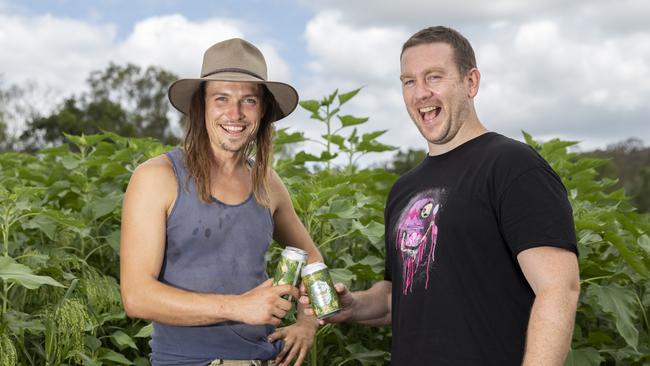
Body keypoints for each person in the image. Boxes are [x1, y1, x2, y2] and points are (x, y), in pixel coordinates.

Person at [302, 26, 580, 365]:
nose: (420, 93)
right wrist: (355, 306)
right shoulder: (404, 189)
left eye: (434, 77)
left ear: (471, 82)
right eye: (409, 81)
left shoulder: (512, 166)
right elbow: (400, 295)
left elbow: (558, 289)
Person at [120, 38, 321, 366]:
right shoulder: (157, 177)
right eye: (222, 98)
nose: (235, 114)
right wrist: (239, 307)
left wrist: (307, 324)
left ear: (264, 109)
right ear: (201, 105)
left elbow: (312, 260)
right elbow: (136, 297)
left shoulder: (267, 182)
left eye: (249, 101)